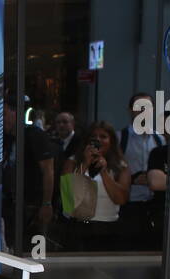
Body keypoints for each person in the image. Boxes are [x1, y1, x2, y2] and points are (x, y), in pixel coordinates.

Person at [62, 121, 131, 250]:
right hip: (78, 227)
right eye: (93, 137)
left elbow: (121, 199)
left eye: (103, 136)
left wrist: (104, 172)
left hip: (108, 228)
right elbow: (67, 196)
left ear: (111, 141)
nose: (98, 140)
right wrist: (85, 163)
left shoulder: (121, 166)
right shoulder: (72, 161)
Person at [2, 91, 55, 250]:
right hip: (11, 203)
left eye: (4, 114)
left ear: (16, 113)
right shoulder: (6, 138)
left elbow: (48, 171)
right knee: (13, 245)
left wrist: (46, 203)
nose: (2, 119)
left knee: (34, 249)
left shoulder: (35, 135)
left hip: (32, 204)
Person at [118, 93, 163, 248]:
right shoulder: (120, 138)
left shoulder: (159, 138)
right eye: (139, 107)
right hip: (130, 204)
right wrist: (131, 178)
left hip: (154, 204)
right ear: (131, 110)